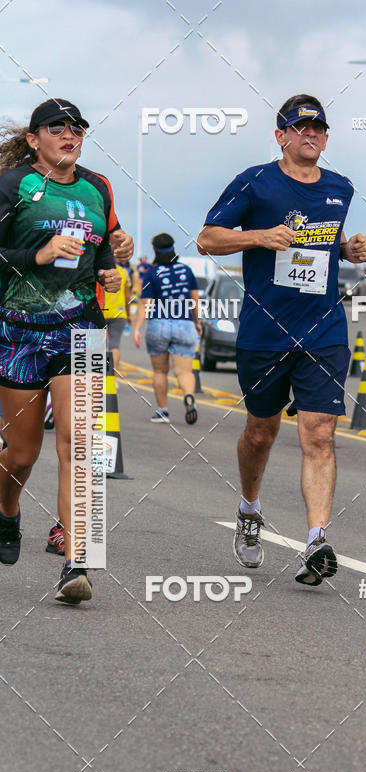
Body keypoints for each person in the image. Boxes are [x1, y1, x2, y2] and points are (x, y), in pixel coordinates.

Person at [197, 93, 366, 586]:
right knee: (261, 432)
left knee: (320, 433)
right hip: (265, 331)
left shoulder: (341, 188)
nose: (310, 134)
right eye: (300, 127)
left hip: (323, 329)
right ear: (280, 136)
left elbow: (322, 245)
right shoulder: (255, 182)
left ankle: (316, 540)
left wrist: (349, 248)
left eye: (318, 128)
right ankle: (249, 509)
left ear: (326, 139)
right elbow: (207, 238)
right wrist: (258, 236)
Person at [0, 98, 122, 603]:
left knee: (81, 443)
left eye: (77, 128)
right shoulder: (13, 186)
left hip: (81, 327)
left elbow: (102, 248)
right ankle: (7, 509)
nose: (69, 135)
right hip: (19, 330)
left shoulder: (98, 187)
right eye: (57, 127)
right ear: (34, 140)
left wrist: (109, 271)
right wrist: (39, 254)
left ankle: (79, 559)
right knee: (22, 453)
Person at [134, 233, 201, 424]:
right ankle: (189, 396)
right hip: (184, 324)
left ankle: (163, 412)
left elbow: (145, 303)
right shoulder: (187, 271)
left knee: (160, 371)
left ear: (154, 250)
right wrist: (197, 322)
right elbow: (195, 300)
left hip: (159, 324)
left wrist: (137, 328)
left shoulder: (152, 273)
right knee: (185, 372)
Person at [103, 262, 132, 373]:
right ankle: (112, 377)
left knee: (96, 346)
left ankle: (96, 377)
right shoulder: (123, 272)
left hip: (101, 312)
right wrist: (128, 315)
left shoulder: (99, 270)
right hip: (119, 313)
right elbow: (127, 296)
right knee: (114, 344)